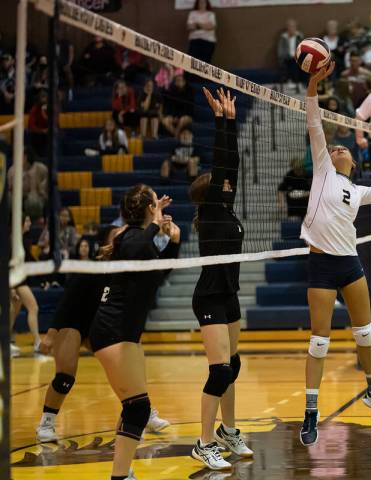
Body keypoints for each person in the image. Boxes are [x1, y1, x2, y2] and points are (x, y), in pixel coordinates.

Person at [299, 62, 371, 446]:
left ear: (354, 165)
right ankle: (311, 412)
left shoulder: (359, 191)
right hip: (321, 265)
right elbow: (314, 123)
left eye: (342, 148)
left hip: (349, 264)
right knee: (320, 341)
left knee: (365, 333)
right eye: (335, 146)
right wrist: (313, 85)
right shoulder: (323, 169)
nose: (337, 146)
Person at [35, 226, 171, 443]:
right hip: (72, 322)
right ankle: (46, 423)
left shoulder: (124, 271)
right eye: (120, 235)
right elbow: (67, 303)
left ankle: (143, 412)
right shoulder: (91, 269)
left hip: (98, 324)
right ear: (109, 243)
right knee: (65, 377)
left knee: (125, 367)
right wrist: (50, 336)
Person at [87, 186, 181, 480]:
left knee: (133, 407)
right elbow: (139, 246)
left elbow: (157, 276)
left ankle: (123, 470)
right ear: (149, 209)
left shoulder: (141, 241)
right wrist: (155, 222)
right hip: (112, 329)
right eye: (156, 202)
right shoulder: (128, 237)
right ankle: (119, 476)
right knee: (138, 408)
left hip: (124, 331)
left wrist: (174, 242)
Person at [188, 88, 254, 468]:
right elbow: (224, 162)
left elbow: (231, 166)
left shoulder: (225, 209)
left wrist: (230, 119)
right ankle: (204, 442)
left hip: (229, 294)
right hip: (210, 297)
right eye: (218, 181)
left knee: (234, 366)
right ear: (208, 192)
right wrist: (221, 122)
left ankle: (228, 432)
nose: (224, 181)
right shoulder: (212, 211)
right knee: (220, 371)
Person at [10, 216, 42, 352]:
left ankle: (6, 340)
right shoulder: (11, 240)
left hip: (18, 279)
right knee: (33, 308)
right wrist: (11, 287)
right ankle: (37, 342)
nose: (30, 223)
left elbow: (30, 259)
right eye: (27, 221)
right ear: (20, 223)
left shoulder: (23, 240)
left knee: (13, 310)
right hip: (12, 279)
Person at [7, 148, 48, 221]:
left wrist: (35, 188)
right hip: (18, 198)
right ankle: (19, 219)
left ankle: (36, 219)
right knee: (8, 198)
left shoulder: (41, 168)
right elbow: (9, 189)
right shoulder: (12, 170)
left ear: (26, 157)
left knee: (32, 200)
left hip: (36, 198)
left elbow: (45, 190)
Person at [277, 19, 304, 87]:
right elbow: (280, 51)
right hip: (286, 58)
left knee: (295, 63)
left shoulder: (299, 36)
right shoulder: (283, 37)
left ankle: (296, 83)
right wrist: (284, 56)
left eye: (293, 26)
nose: (291, 28)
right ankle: (288, 82)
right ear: (287, 28)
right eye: (290, 26)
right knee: (287, 63)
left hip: (296, 58)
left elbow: (303, 48)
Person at [28, 91, 49, 156]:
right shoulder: (34, 109)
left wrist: (45, 115)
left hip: (49, 133)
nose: (44, 100)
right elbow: (31, 126)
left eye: (45, 98)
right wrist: (42, 131)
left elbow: (55, 124)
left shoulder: (52, 108)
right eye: (42, 97)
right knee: (36, 137)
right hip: (38, 135)